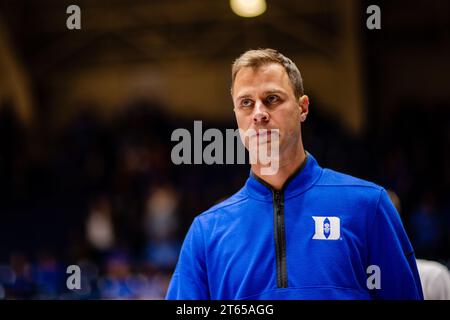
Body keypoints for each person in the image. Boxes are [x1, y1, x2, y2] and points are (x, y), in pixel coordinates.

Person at [166, 48, 423, 300]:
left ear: (303, 107)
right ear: (236, 115)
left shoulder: (369, 206)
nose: (258, 114)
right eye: (246, 103)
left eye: (272, 99)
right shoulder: (207, 231)